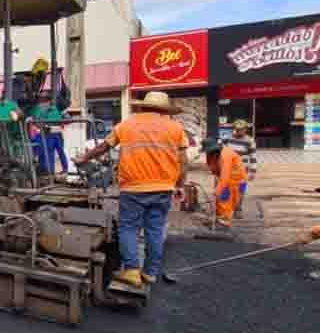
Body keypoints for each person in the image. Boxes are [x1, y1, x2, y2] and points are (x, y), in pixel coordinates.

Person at [74, 91, 188, 288]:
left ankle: (132, 271)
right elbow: (183, 161)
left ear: (142, 106)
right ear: (164, 110)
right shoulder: (175, 128)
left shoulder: (127, 125)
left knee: (129, 228)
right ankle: (150, 272)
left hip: (133, 188)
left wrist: (84, 158)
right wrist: (179, 184)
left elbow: (103, 147)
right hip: (163, 188)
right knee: (155, 228)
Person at [201, 138, 248, 230]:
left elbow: (225, 176)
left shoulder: (225, 155)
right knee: (220, 199)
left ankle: (225, 222)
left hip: (237, 180)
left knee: (224, 198)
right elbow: (213, 168)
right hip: (226, 179)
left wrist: (217, 191)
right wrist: (217, 185)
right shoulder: (212, 154)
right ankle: (219, 219)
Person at [223, 119, 256, 219]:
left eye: (242, 129)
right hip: (228, 169)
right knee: (226, 189)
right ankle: (225, 210)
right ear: (234, 129)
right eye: (237, 129)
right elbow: (221, 151)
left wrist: (252, 171)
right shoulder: (227, 139)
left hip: (242, 171)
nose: (239, 131)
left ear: (246, 130)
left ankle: (238, 209)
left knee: (241, 191)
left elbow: (253, 156)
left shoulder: (250, 141)